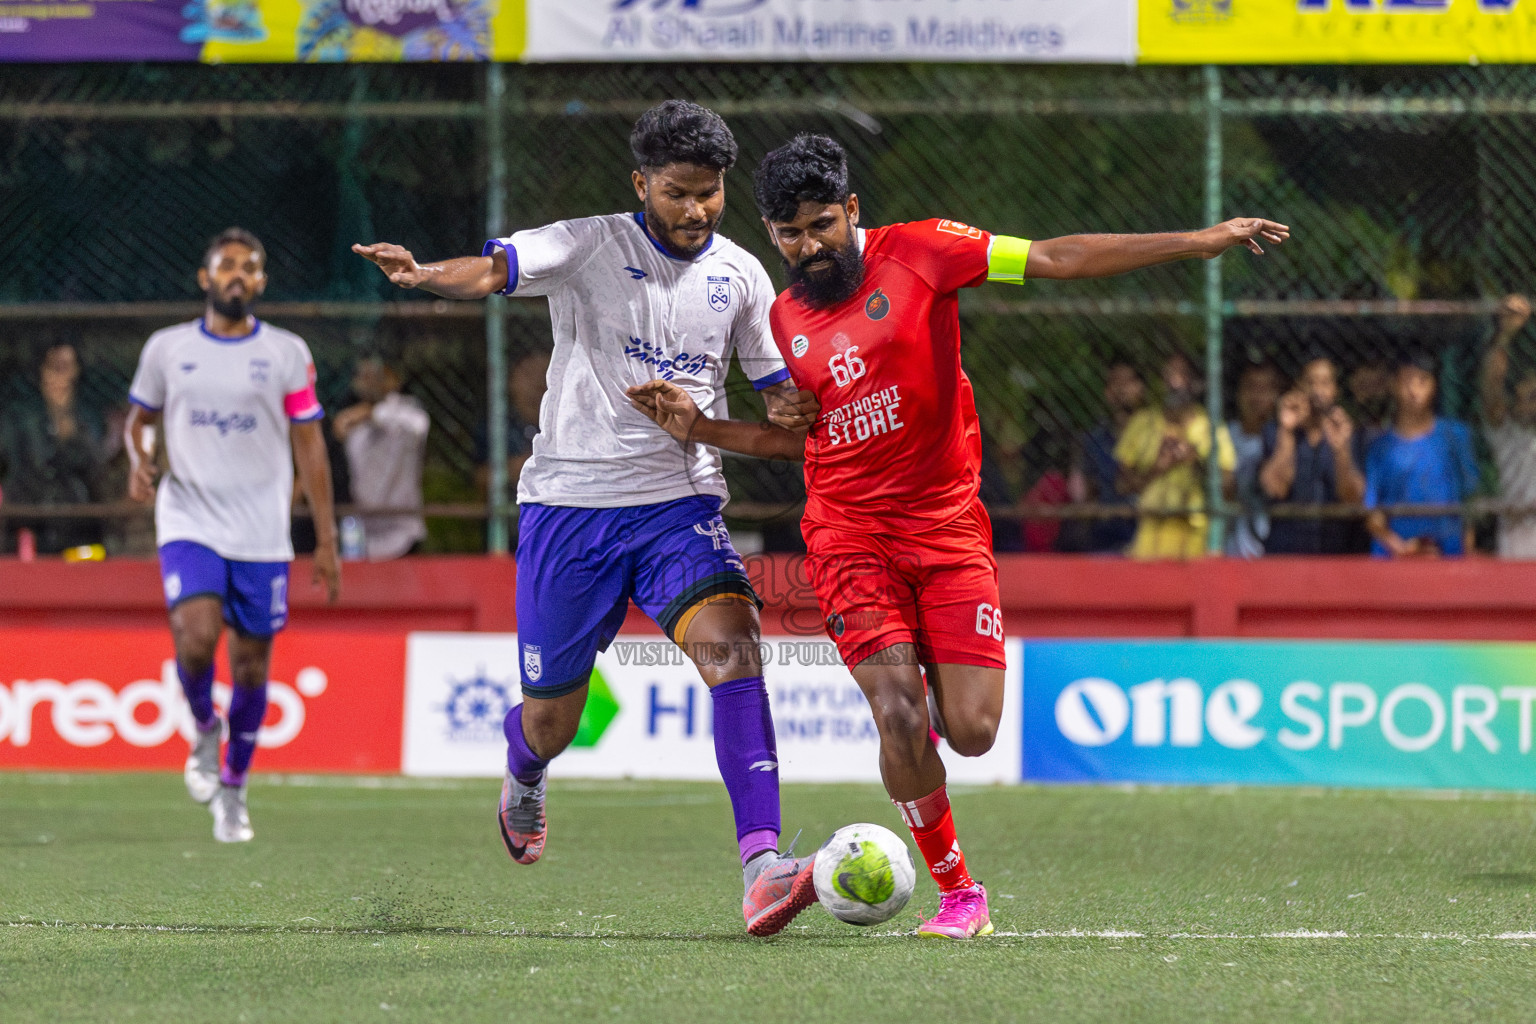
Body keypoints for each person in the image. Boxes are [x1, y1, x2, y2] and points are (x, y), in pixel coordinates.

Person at [628, 132, 1287, 938]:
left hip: (946, 533)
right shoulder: (786, 319)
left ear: (853, 211)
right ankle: (960, 893)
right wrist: (699, 426)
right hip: (849, 539)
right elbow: (798, 437)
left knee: (971, 734)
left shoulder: (927, 252)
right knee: (899, 716)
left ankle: (926, 736)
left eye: (823, 225)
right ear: (771, 233)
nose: (809, 246)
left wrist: (1197, 240)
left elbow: (1056, 258)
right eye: (791, 234)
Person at [352, 101, 821, 937]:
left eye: (710, 194)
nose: (696, 211)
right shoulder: (589, 243)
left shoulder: (744, 276)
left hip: (678, 505)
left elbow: (780, 397)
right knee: (551, 720)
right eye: (678, 193)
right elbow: (496, 269)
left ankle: (762, 867)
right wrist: (429, 277)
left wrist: (805, 402)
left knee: (736, 648)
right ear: (642, 184)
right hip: (570, 508)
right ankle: (525, 765)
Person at [124, 227, 341, 843]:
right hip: (188, 515)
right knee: (195, 638)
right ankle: (202, 724)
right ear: (206, 277)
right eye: (227, 266)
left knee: (250, 668)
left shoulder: (287, 353)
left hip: (261, 530)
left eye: (249, 267)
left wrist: (323, 541)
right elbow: (139, 422)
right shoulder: (166, 349)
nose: (238, 275)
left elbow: (311, 447)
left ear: (262, 282)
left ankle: (234, 790)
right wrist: (139, 460)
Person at [1115, 351, 1238, 560]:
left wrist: (1196, 459)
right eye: (1169, 374)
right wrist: (1159, 467)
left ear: (1195, 383)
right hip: (1150, 533)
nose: (1175, 381)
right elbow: (1121, 484)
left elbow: (1228, 487)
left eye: (1182, 374)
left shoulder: (1211, 426)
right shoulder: (1143, 422)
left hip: (1195, 536)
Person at [0, 341, 113, 554]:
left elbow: (95, 468)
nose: (59, 376)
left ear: (76, 371)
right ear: (42, 372)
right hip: (28, 516)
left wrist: (70, 433)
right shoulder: (20, 416)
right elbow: (12, 462)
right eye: (53, 367)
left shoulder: (87, 418)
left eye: (66, 367)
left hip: (74, 519)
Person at [1365, 352, 1479, 558]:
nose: (1414, 390)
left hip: (1448, 556)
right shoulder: (1379, 448)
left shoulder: (1455, 436)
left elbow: (1470, 500)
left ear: (1434, 385)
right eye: (1407, 381)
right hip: (1394, 560)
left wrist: (1467, 556)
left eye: (1422, 381)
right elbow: (1373, 513)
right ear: (1393, 385)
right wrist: (1401, 548)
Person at [1258, 354, 1366, 555]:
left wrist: (1341, 449)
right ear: (1299, 388)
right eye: (1310, 383)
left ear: (1335, 390)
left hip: (1337, 554)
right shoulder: (1276, 431)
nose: (1317, 391)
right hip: (1286, 552)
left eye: (1325, 383)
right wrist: (1287, 431)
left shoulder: (1350, 433)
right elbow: (1275, 488)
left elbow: (1354, 499)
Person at [332, 355, 429, 560]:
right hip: (362, 536)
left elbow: (418, 425)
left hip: (404, 535)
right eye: (362, 375)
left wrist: (371, 413)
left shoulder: (407, 411)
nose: (368, 381)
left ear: (394, 379)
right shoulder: (353, 424)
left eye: (376, 375)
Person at [1478, 294, 1536, 558]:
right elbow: (1492, 390)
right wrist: (1504, 336)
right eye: (1531, 397)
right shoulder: (1508, 435)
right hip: (1517, 548)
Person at [1068, 360, 1144, 553]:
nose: (1121, 389)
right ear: (1107, 392)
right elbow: (1088, 492)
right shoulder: (1094, 440)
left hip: (1146, 531)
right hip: (1105, 536)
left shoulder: (1154, 433)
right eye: (1115, 383)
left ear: (1141, 388)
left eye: (1128, 382)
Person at [475, 347, 550, 501]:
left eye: (544, 374)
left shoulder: (564, 425)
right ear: (511, 381)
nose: (537, 383)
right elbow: (478, 477)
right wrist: (514, 468)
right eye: (528, 374)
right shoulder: (495, 426)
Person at [1225, 359, 1282, 558]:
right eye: (1250, 387)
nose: (1256, 397)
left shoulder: (1285, 440)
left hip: (1270, 550)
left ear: (1275, 396)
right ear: (1238, 393)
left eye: (1264, 389)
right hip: (1229, 550)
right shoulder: (1223, 436)